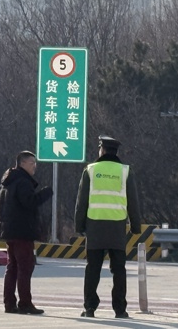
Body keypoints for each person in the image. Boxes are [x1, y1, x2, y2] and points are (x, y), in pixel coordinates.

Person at [74, 135, 141, 319]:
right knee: (119, 270)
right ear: (116, 152)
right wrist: (135, 226)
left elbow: (82, 201)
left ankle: (90, 308)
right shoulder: (125, 171)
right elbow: (133, 201)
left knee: (93, 269)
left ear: (102, 150)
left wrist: (79, 225)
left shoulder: (90, 170)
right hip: (117, 228)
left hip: (95, 227)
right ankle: (120, 309)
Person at [0, 150, 53, 315]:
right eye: (32, 163)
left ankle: (9, 303)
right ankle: (25, 303)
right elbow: (30, 202)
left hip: (10, 231)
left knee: (12, 267)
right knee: (25, 267)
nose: (35, 166)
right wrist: (46, 193)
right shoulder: (22, 182)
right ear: (22, 163)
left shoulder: (8, 181)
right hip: (22, 231)